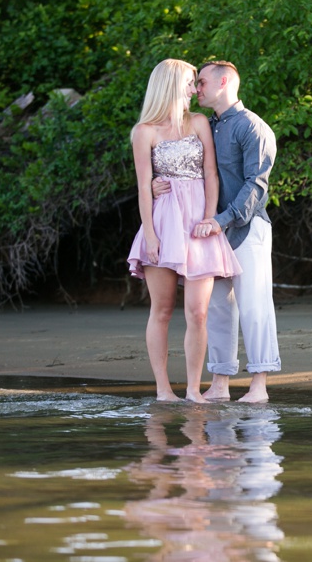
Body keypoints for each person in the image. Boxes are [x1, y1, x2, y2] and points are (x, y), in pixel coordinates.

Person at [153, 60, 281, 403]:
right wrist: (155, 183)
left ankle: (259, 385)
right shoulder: (206, 125)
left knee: (255, 305)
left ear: (224, 82)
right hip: (209, 230)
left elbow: (257, 186)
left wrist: (221, 220)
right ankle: (220, 382)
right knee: (218, 309)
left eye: (203, 82)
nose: (197, 89)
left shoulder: (254, 127)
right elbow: (187, 169)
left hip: (247, 228)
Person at [128, 59, 242, 403]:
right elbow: (143, 186)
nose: (195, 89)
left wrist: (209, 219)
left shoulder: (198, 123)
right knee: (161, 310)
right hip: (162, 223)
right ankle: (163, 390)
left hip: (197, 224)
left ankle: (194, 389)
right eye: (191, 82)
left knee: (198, 311)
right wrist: (149, 234)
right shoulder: (144, 131)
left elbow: (211, 173)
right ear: (172, 84)